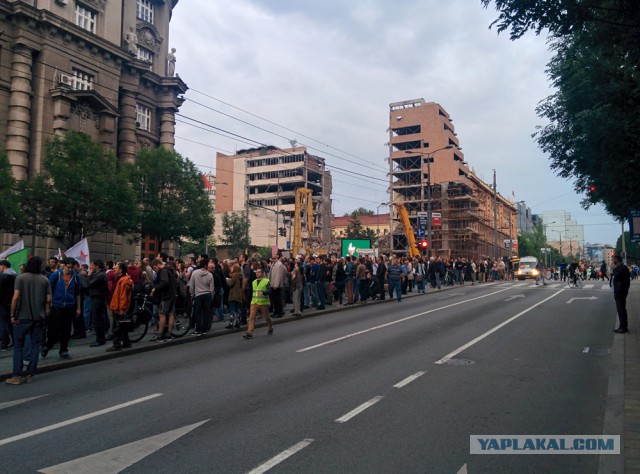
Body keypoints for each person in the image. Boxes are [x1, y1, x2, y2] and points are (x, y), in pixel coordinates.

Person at [6, 256, 51, 385]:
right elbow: (48, 299)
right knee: (35, 345)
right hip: (39, 317)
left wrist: (12, 315)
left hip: (22, 316)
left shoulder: (20, 278)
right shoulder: (44, 280)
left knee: (18, 347)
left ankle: (17, 375)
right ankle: (30, 374)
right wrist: (45, 311)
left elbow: (15, 297)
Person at [42, 257, 81, 360]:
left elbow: (77, 294)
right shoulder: (56, 275)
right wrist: (48, 306)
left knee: (66, 330)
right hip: (57, 306)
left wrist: (78, 308)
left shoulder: (76, 277)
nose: (70, 269)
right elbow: (49, 291)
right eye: (68, 267)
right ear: (64, 265)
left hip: (70, 306)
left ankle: (63, 350)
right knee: (53, 329)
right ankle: (48, 345)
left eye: (72, 267)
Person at [107, 262, 134, 351]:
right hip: (117, 306)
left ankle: (116, 345)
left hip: (119, 307)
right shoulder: (120, 279)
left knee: (117, 327)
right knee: (122, 325)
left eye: (116, 267)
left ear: (121, 270)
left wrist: (122, 308)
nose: (114, 268)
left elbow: (123, 296)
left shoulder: (123, 280)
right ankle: (126, 342)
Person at [150, 258, 177, 341]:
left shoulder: (164, 271)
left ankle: (160, 335)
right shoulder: (169, 270)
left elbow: (165, 282)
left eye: (155, 268)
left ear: (158, 264)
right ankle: (169, 334)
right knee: (171, 314)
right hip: (172, 294)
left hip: (167, 295)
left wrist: (155, 289)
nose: (155, 270)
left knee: (162, 314)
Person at [243, 267, 273, 339]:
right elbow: (252, 292)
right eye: (256, 272)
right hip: (254, 302)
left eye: (259, 272)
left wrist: (264, 292)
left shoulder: (266, 281)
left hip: (263, 303)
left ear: (262, 273)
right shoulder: (254, 282)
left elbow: (270, 291)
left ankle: (270, 327)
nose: (257, 273)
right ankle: (249, 332)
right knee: (252, 317)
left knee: (266, 317)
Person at [85, 259, 110, 347]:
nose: (91, 267)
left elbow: (89, 284)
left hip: (98, 298)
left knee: (97, 319)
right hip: (99, 298)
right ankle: (100, 338)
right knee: (99, 318)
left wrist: (88, 275)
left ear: (97, 266)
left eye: (92, 265)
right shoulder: (100, 274)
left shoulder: (100, 275)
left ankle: (100, 339)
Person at [189, 258, 214, 335]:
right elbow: (212, 288)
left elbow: (191, 285)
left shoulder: (194, 273)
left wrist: (192, 294)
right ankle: (204, 329)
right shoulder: (210, 275)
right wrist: (211, 297)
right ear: (206, 265)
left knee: (197, 312)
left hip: (198, 295)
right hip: (207, 295)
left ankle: (198, 329)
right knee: (206, 312)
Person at [0, 259, 17, 351]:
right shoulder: (16, 276)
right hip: (13, 304)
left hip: (2, 303)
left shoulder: (2, 277)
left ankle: (4, 344)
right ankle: (15, 342)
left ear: (3, 266)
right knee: (11, 324)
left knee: (2, 324)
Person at [611, 255, 630, 334]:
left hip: (620, 292)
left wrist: (613, 268)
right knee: (620, 309)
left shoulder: (622, 268)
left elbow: (616, 275)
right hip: (619, 291)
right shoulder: (621, 267)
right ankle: (622, 326)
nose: (612, 261)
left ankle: (623, 327)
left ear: (617, 260)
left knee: (621, 309)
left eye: (613, 260)